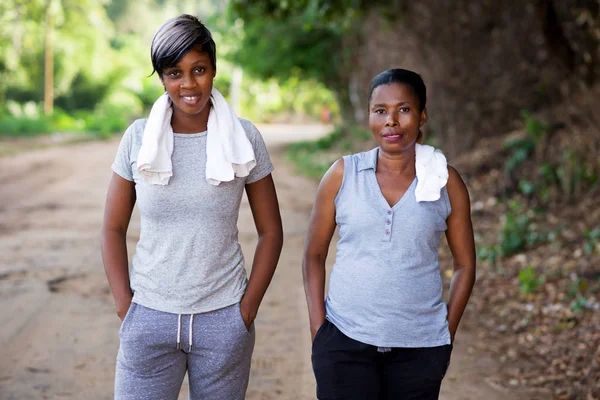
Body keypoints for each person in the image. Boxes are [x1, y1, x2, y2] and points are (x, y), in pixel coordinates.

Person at [101, 14, 283, 400]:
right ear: (162, 77)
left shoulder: (244, 137)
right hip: (149, 318)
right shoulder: (138, 138)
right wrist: (125, 307)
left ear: (213, 69)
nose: (188, 84)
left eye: (198, 69)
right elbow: (112, 228)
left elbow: (271, 232)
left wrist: (245, 312)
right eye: (174, 72)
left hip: (224, 319)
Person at [303, 68, 476, 400]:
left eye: (404, 109)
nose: (391, 121)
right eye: (380, 110)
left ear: (422, 115)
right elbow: (313, 254)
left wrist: (446, 332)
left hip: (420, 350)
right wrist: (319, 329)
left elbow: (465, 264)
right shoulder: (343, 174)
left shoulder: (444, 181)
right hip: (344, 343)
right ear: (369, 115)